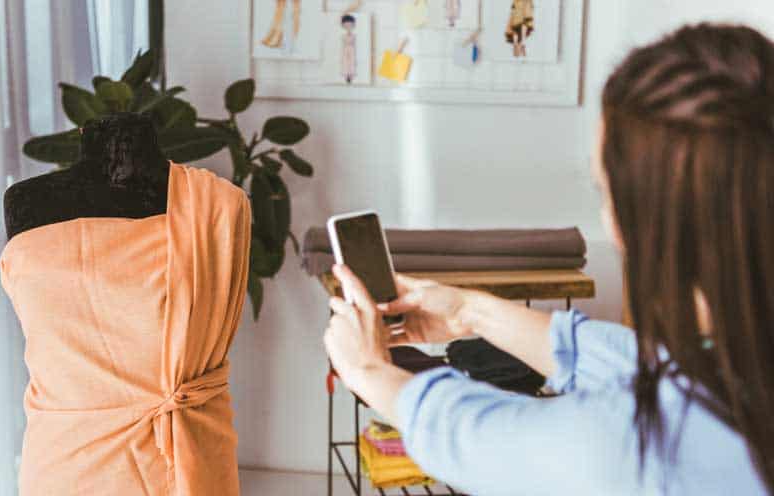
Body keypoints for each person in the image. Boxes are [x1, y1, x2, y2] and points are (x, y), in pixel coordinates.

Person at [323, 24, 773, 495]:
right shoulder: (741, 370)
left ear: (650, 223)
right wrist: (467, 311)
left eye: (606, 192)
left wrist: (370, 370)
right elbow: (642, 365)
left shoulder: (643, 442)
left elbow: (500, 442)